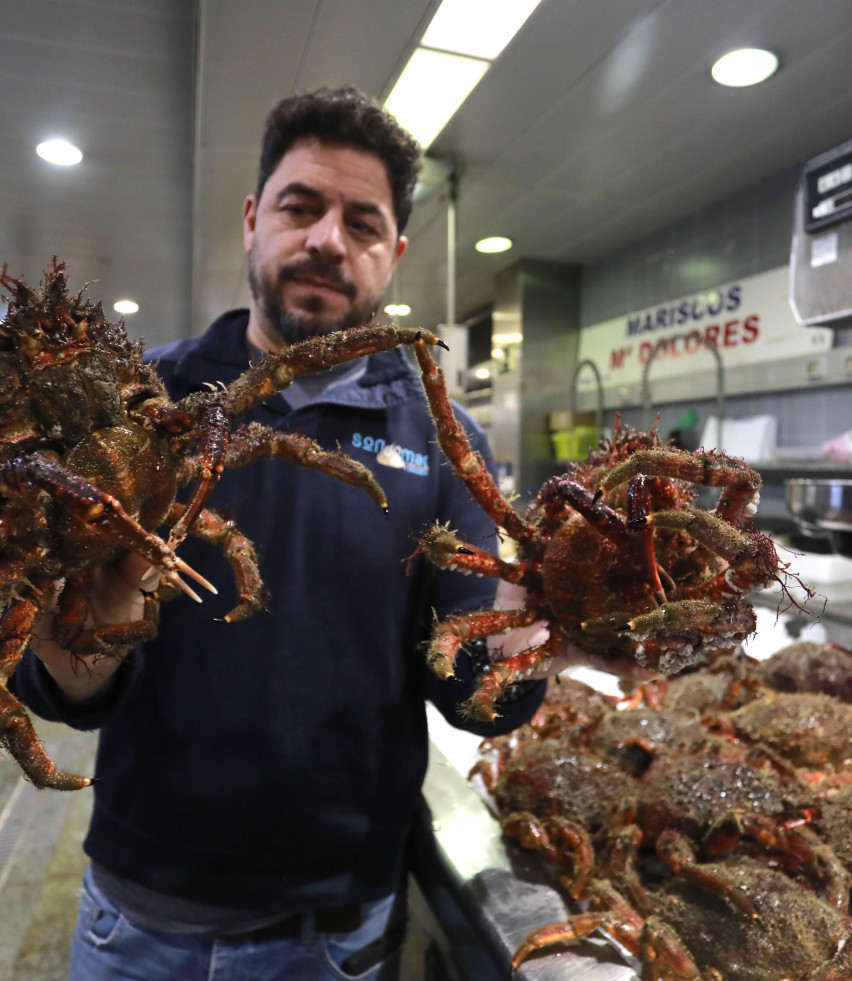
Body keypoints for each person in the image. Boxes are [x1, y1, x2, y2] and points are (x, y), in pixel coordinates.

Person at [11, 85, 650, 981]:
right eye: (300, 207)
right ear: (252, 217)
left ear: (392, 251)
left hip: (336, 930)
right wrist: (87, 630)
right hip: (139, 913)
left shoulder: (440, 434)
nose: (325, 240)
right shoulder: (142, 400)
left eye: (361, 221)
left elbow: (475, 682)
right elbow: (61, 685)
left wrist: (548, 627)